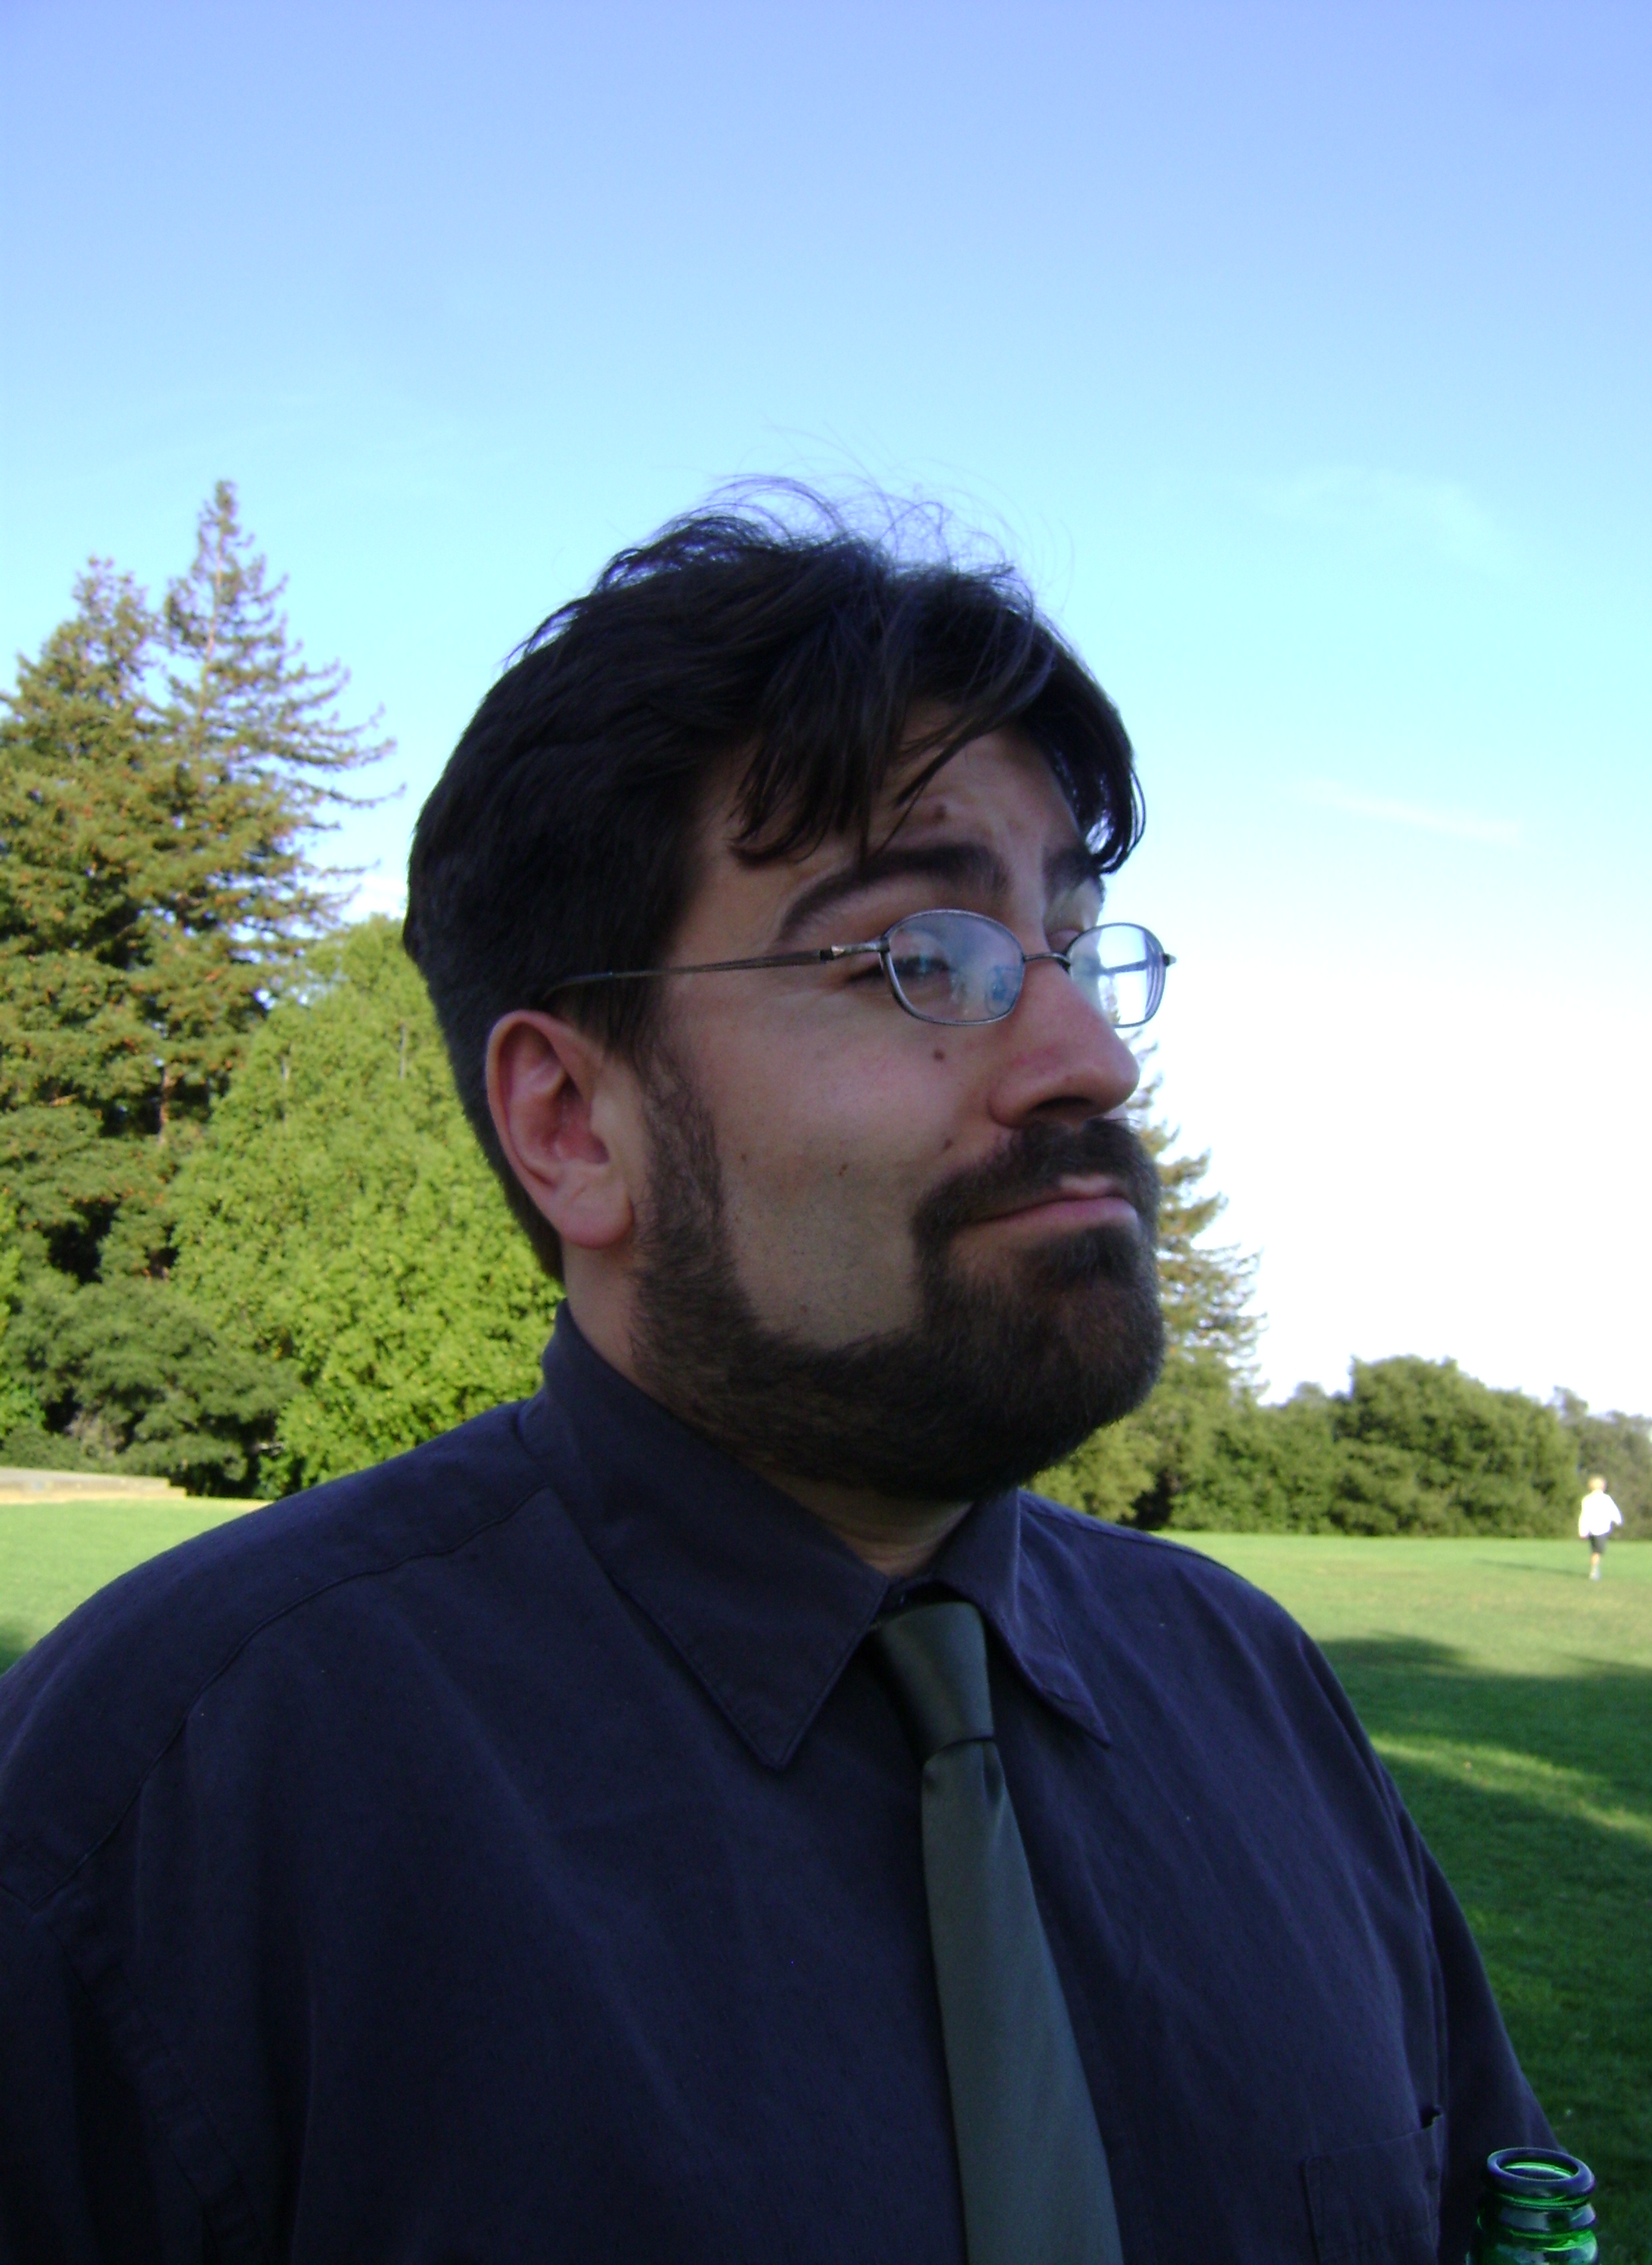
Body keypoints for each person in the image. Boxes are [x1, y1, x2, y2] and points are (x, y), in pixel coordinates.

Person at [0, 500, 1550, 2264]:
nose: (1089, 1058)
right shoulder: (174, 1799)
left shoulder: (1253, 1692)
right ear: (573, 1123)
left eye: (1073, 938)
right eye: (922, 957)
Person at [1578, 1472, 1624, 1578]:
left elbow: (1584, 1516)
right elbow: (1613, 1511)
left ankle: (1594, 1570)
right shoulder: (1606, 1499)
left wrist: (1582, 1531)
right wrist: (1618, 1521)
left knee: (1595, 1551)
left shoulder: (1587, 1499)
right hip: (1602, 1529)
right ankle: (1594, 1571)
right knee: (1597, 1552)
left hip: (1591, 1529)